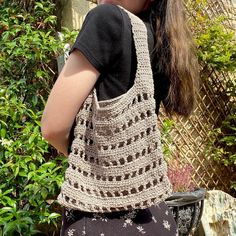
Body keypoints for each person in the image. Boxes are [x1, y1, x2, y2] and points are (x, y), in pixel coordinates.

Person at [41, 0, 199, 235]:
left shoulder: (107, 19)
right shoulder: (163, 37)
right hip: (154, 217)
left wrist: (91, 158)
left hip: (99, 216)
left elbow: (52, 127)